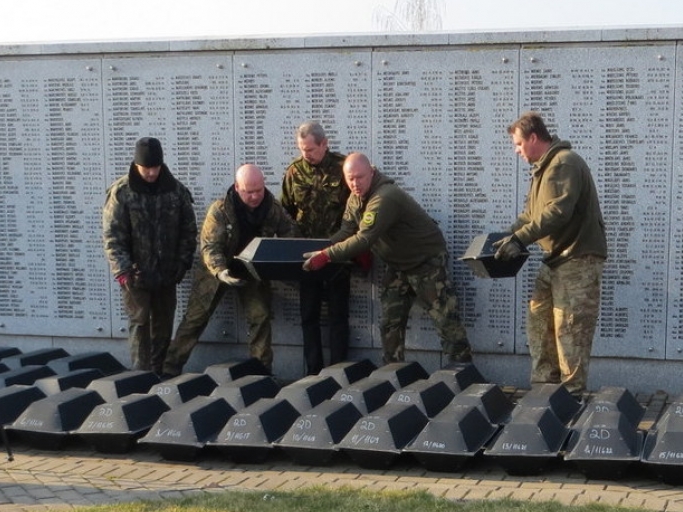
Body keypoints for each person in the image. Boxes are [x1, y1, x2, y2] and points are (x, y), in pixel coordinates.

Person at [302, 153, 472, 366]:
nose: (355, 183)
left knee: (445, 318)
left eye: (360, 177)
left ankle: (462, 368)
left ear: (371, 173)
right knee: (390, 321)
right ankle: (393, 370)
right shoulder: (355, 199)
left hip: (425, 262)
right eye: (350, 178)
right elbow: (346, 231)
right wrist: (317, 249)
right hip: (399, 265)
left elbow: (364, 238)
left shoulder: (384, 197)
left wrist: (327, 256)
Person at [492, 112, 608, 396]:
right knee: (540, 323)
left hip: (577, 259)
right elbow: (530, 216)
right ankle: (544, 393)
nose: (516, 151)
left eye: (518, 144)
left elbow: (558, 211)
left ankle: (571, 399)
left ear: (533, 138)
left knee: (570, 332)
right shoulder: (543, 169)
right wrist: (501, 239)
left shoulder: (563, 163)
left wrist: (519, 240)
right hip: (555, 260)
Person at [164, 164, 297, 375]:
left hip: (251, 270)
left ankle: (261, 371)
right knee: (195, 318)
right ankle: (169, 368)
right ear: (237, 187)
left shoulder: (272, 208)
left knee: (260, 316)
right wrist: (220, 271)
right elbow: (210, 246)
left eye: (259, 190)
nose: (255, 197)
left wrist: (278, 261)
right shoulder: (220, 210)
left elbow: (290, 233)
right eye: (249, 191)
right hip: (216, 271)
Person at [102, 137, 197, 376]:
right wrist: (123, 270)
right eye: (147, 168)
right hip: (136, 275)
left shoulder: (176, 191)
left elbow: (188, 230)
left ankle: (161, 375)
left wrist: (183, 262)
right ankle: (140, 376)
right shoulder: (122, 192)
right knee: (140, 326)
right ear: (136, 165)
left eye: (155, 168)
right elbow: (113, 235)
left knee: (163, 328)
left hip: (167, 273)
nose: (152, 173)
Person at [281, 122, 351, 375]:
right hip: (306, 256)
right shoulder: (294, 172)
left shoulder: (343, 168)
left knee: (338, 316)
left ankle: (339, 371)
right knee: (309, 315)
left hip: (336, 254)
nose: (306, 154)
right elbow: (285, 211)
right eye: (302, 149)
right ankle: (313, 372)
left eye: (310, 149)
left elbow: (354, 209)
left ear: (324, 144)